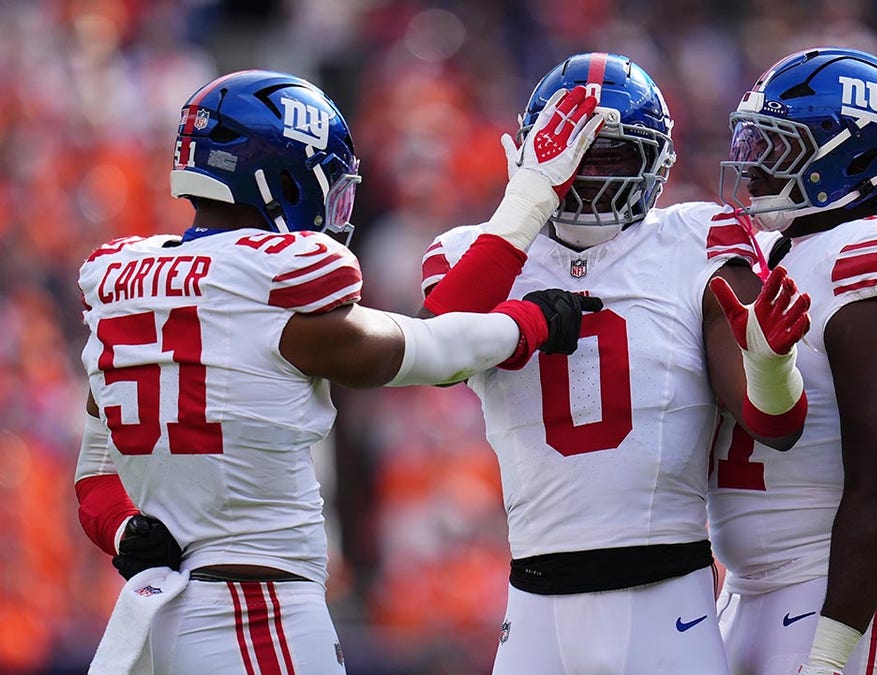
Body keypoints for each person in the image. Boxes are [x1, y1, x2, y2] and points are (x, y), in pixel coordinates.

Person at [74, 69, 604, 672]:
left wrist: (124, 532)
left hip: (156, 623)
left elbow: (94, 478)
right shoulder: (268, 281)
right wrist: (527, 318)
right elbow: (431, 348)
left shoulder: (120, 284)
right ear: (282, 178)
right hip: (256, 614)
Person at [418, 52, 812, 674]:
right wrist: (525, 204)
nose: (594, 178)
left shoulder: (695, 238)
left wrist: (769, 366)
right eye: (575, 157)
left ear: (654, 164)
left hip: (665, 592)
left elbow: (777, 426)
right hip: (533, 597)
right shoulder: (473, 251)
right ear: (531, 155)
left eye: (615, 158)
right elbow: (441, 350)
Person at [707, 47, 877, 674]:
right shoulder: (780, 250)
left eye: (778, 147)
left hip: (863, 597)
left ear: (854, 154)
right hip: (752, 592)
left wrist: (828, 657)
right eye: (754, 142)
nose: (752, 168)